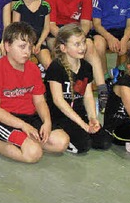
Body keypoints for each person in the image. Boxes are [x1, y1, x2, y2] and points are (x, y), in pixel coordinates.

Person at [0, 22, 69, 163]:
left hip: (29, 117)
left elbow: (39, 101)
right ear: (7, 46)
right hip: (3, 120)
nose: (27, 52)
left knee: (62, 142)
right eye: (22, 47)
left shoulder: (33, 69)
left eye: (30, 47)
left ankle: (25, 141)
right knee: (33, 154)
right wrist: (23, 126)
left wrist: (47, 122)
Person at [44, 0, 107, 109]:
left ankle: (103, 89)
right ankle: (65, 87)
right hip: (58, 32)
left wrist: (78, 39)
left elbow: (86, 23)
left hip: (77, 31)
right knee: (56, 47)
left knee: (90, 45)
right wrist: (67, 40)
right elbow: (51, 25)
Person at [45, 24, 113, 154]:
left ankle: (82, 130)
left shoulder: (86, 67)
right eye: (77, 44)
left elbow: (87, 96)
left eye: (83, 42)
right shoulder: (56, 68)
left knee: (104, 141)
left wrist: (93, 118)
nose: (82, 47)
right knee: (83, 145)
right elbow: (58, 101)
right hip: (60, 116)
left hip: (79, 113)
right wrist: (83, 125)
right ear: (63, 48)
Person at [12, 0, 52, 69]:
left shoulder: (45, 6)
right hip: (22, 42)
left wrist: (38, 44)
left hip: (39, 42)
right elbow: (15, 29)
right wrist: (28, 45)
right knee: (24, 64)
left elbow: (47, 28)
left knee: (49, 65)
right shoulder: (18, 6)